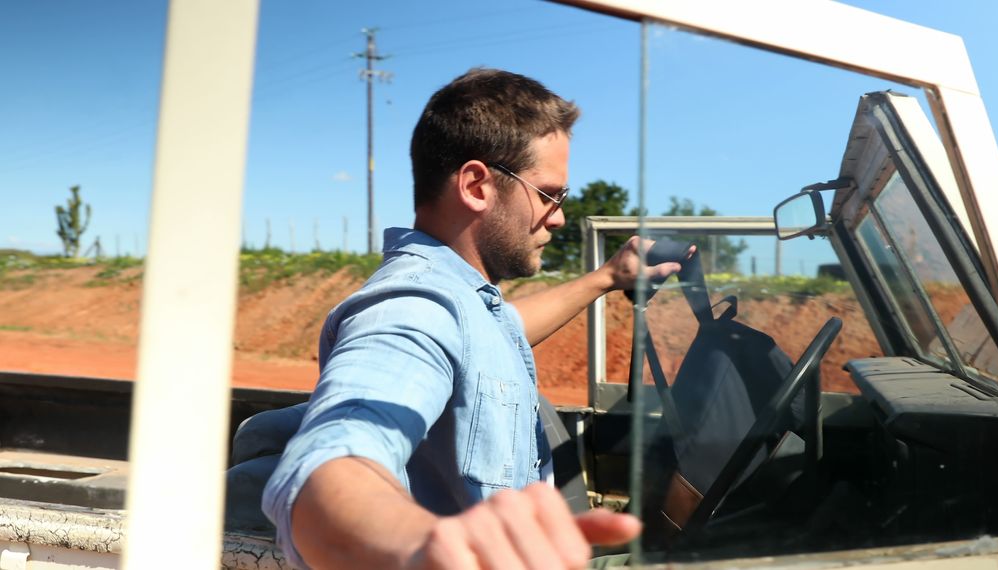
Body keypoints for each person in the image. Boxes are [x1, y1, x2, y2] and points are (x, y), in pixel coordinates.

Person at [262, 68, 684, 569]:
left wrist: (608, 277)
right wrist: (426, 547)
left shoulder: (466, 306)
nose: (559, 217)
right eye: (550, 195)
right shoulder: (414, 308)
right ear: (477, 185)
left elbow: (496, 332)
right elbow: (330, 465)